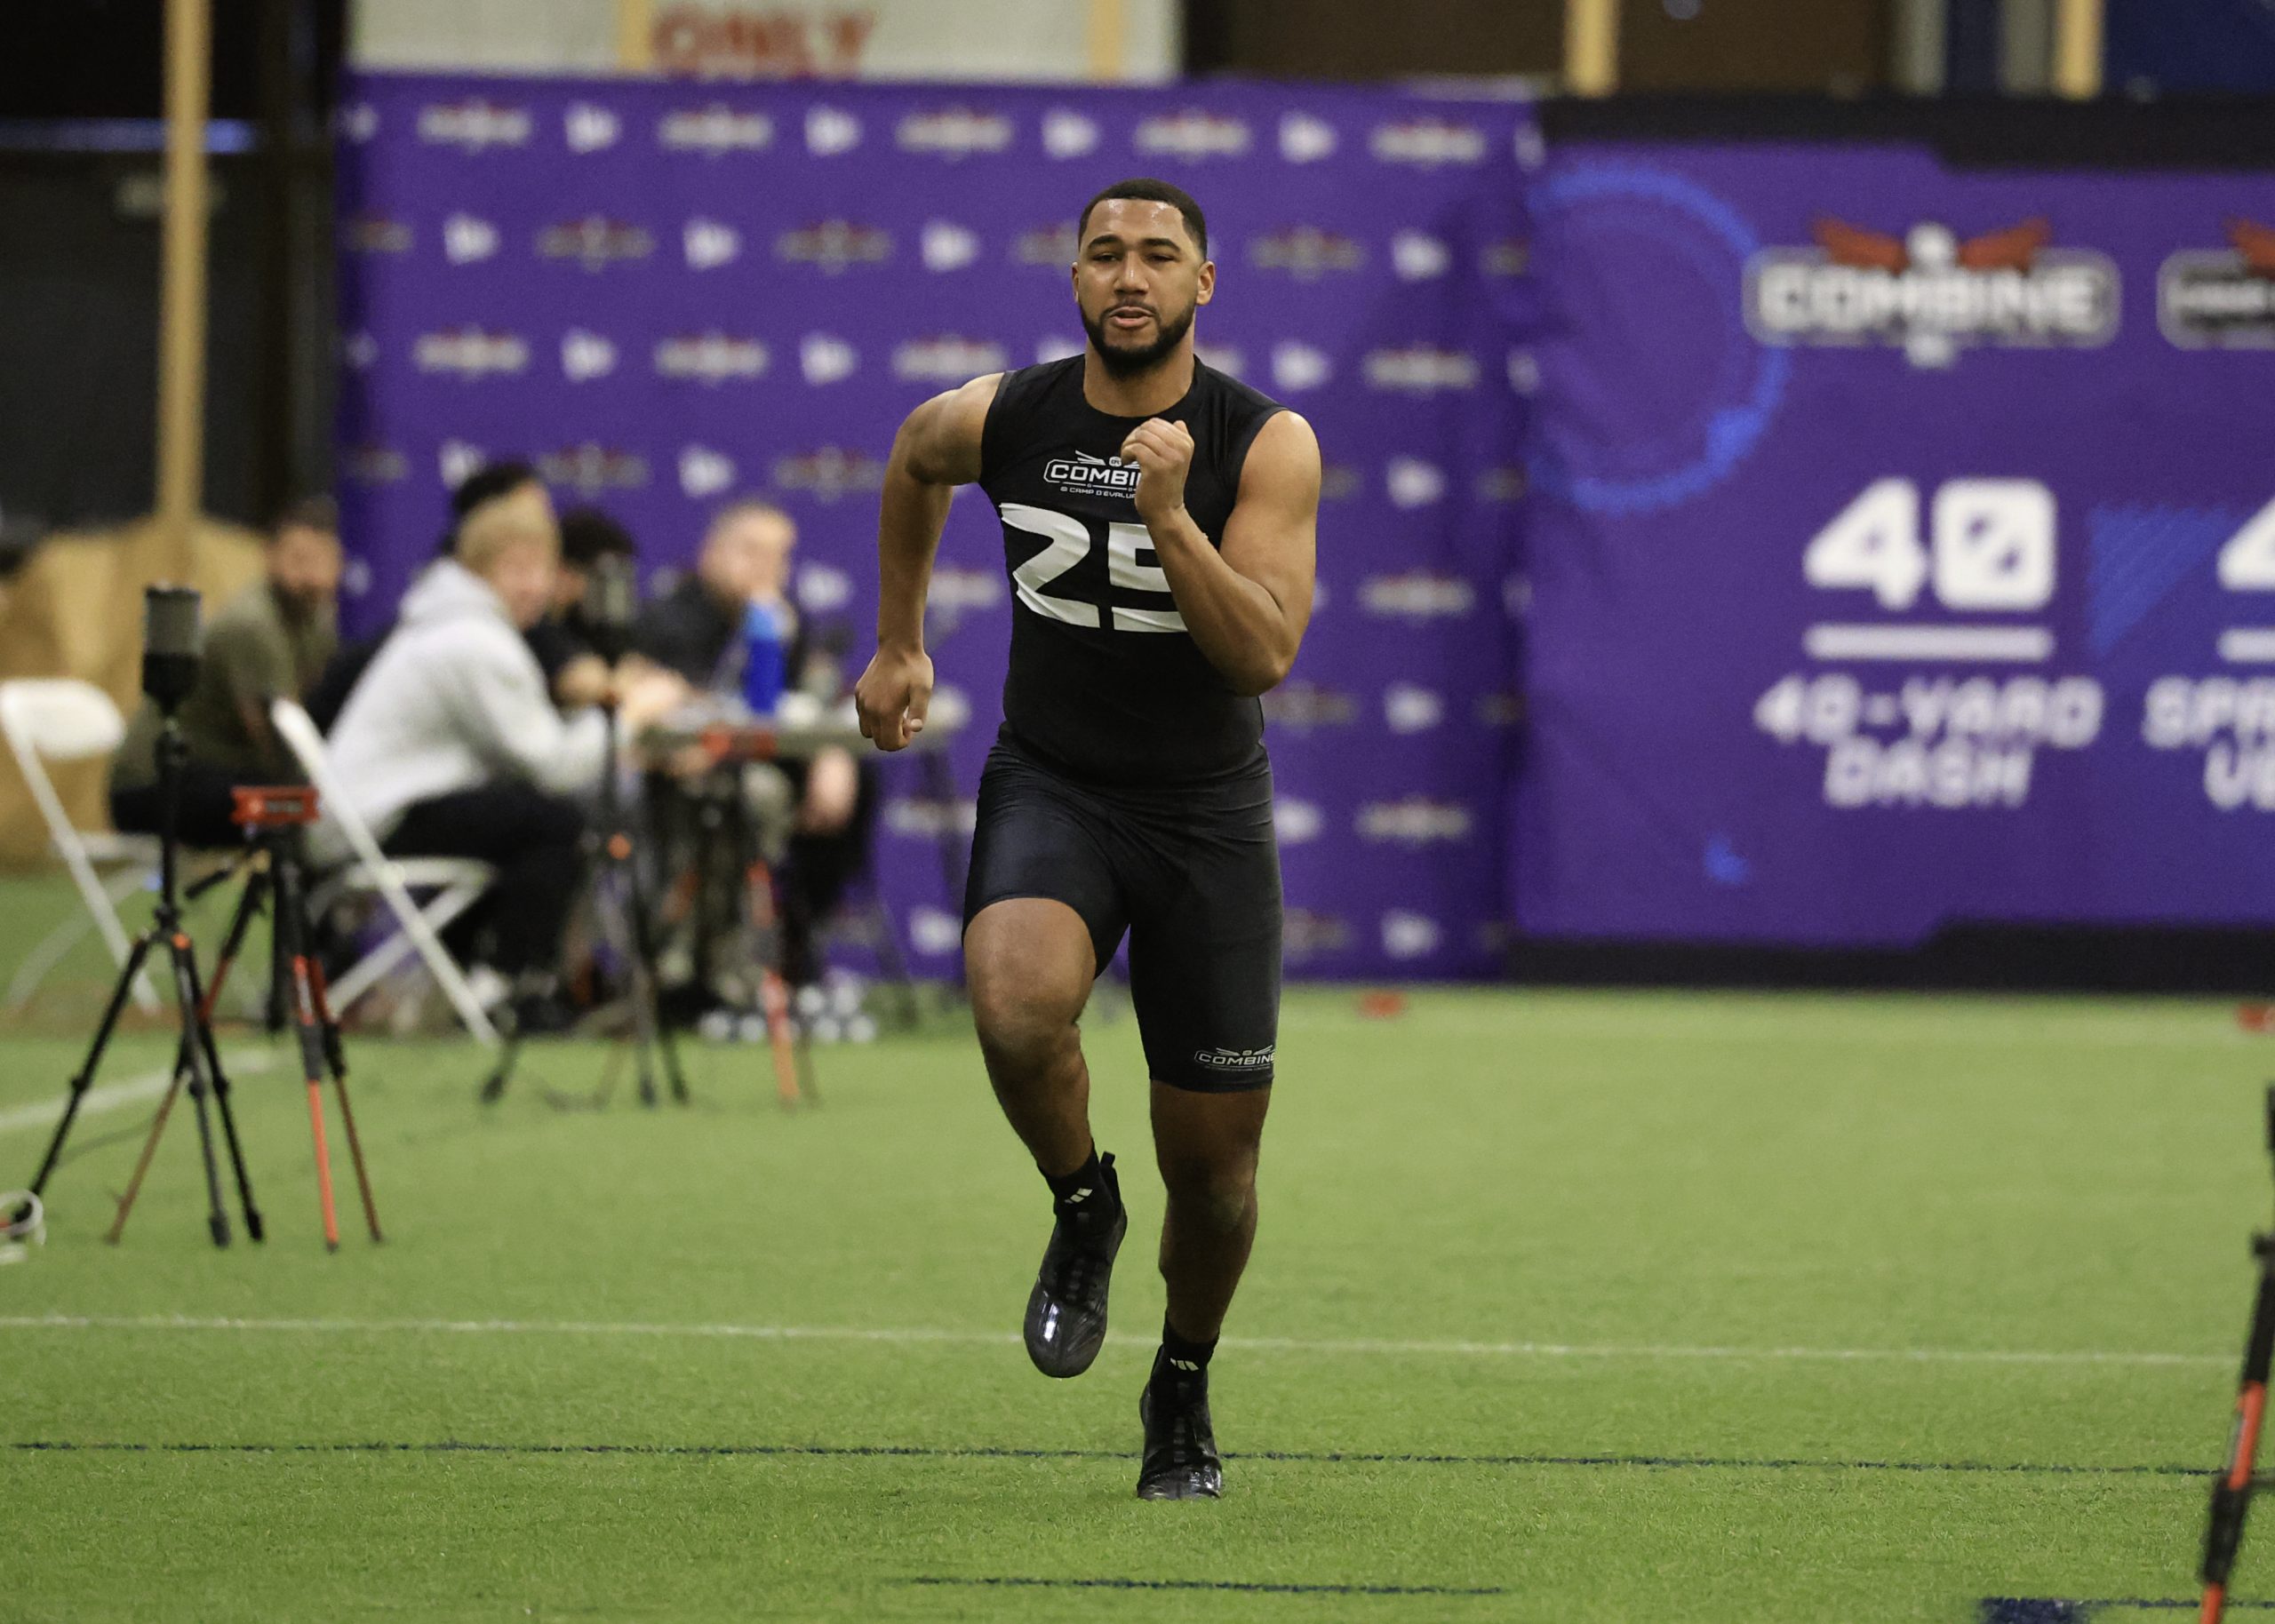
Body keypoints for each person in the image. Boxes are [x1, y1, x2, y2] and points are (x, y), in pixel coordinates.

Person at [852, 178, 1321, 1500]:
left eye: (1159, 256)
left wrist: (1170, 513)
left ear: (1202, 286)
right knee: (1011, 1007)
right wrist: (900, 638)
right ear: (1074, 282)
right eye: (1105, 254)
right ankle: (1081, 1205)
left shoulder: (1263, 440)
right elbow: (911, 456)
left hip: (1205, 823)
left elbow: (1263, 656)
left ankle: (1180, 1383)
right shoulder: (1009, 414)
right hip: (1055, 779)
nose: (1131, 274)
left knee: (1217, 1178)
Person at [323, 469, 681, 1026]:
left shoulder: (453, 623)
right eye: (516, 570)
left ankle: (482, 976)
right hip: (373, 822)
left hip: (373, 811)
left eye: (542, 570)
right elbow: (553, 766)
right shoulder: (476, 641)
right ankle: (511, 988)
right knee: (555, 823)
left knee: (519, 819)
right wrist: (632, 714)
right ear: (477, 571)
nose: (534, 586)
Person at [635, 498, 868, 987]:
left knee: (860, 780)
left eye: (779, 555)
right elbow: (675, 706)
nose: (766, 567)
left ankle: (797, 951)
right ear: (710, 554)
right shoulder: (670, 617)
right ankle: (700, 966)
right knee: (750, 794)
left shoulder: (785, 619)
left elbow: (806, 699)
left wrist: (831, 752)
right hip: (686, 772)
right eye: (750, 551)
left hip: (763, 759)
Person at [110, 498, 343, 847]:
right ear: (270, 556)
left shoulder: (318, 622)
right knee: (304, 807)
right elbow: (276, 740)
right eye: (298, 560)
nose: (310, 575)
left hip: (217, 778)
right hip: (154, 788)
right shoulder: (253, 625)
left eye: (321, 561)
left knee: (308, 805)